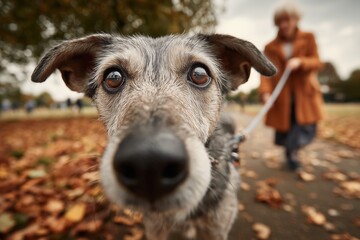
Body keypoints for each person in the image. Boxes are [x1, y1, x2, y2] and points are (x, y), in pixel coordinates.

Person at [259, 2, 325, 171]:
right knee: (287, 125)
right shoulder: (270, 47)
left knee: (304, 125)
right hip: (282, 94)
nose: (283, 25)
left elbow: (317, 62)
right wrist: (266, 92)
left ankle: (292, 150)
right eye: (280, 21)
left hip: (304, 92)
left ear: (296, 20)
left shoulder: (309, 37)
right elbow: (265, 73)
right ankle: (292, 153)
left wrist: (300, 62)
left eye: (287, 20)